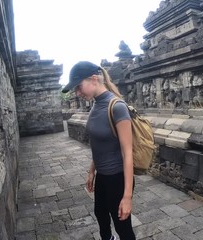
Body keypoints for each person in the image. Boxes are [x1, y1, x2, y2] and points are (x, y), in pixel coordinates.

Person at [62, 61, 136, 240]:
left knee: (123, 228)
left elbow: (127, 154)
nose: (78, 93)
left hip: (117, 178)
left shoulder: (117, 107)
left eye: (79, 87)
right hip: (102, 176)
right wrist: (91, 171)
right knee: (101, 215)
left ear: (94, 79)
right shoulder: (95, 105)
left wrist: (127, 197)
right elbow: (98, 143)